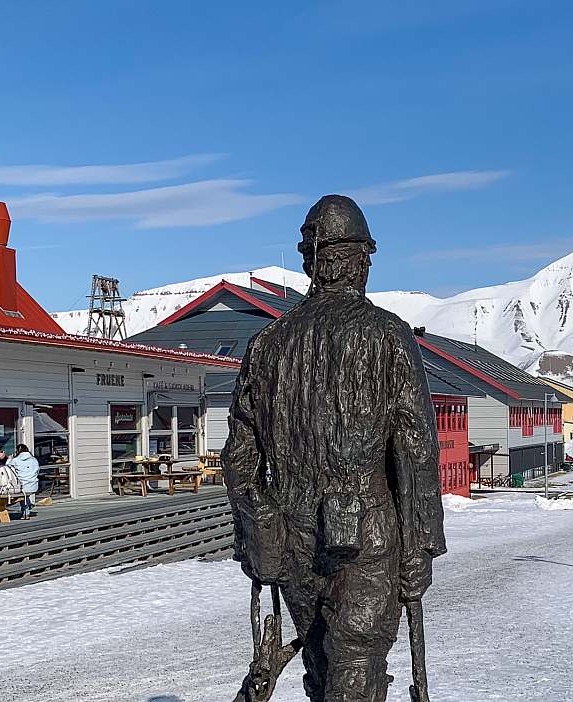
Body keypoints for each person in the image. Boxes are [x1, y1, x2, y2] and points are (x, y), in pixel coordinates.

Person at [225, 195, 445, 701]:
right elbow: (416, 452)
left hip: (294, 533)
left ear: (310, 261)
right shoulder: (389, 335)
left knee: (324, 665)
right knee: (356, 662)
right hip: (369, 533)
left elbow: (239, 461)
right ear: (362, 259)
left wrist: (264, 532)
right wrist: (421, 546)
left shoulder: (268, 344)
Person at [8, 443, 40, 518]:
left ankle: (26, 511)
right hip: (33, 485)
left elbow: (7, 468)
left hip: (22, 486)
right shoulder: (34, 460)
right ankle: (28, 506)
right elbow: (37, 471)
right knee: (25, 495)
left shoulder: (15, 460)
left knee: (23, 493)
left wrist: (9, 458)